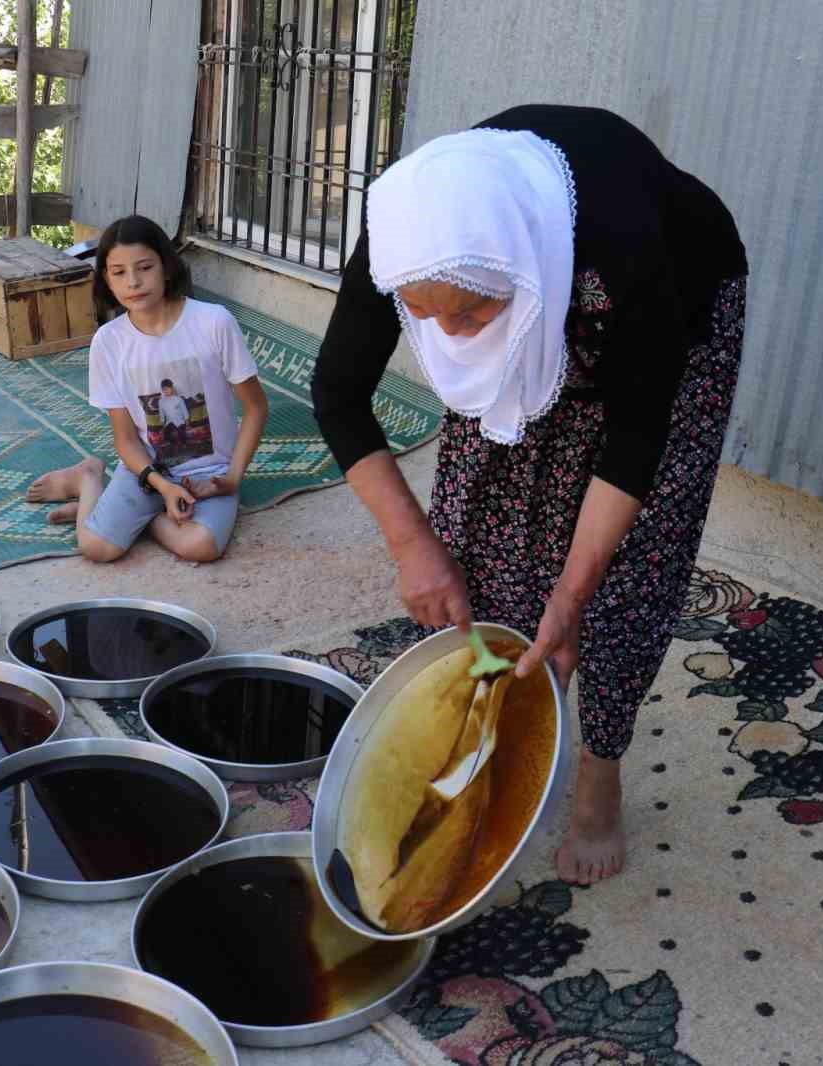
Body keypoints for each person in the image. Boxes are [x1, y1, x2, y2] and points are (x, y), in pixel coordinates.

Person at [311, 105, 748, 885]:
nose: (452, 336)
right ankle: (491, 733)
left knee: (625, 576)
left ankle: (599, 770)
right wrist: (415, 548)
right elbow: (338, 395)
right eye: (427, 318)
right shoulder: (412, 235)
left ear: (508, 276)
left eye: (472, 316)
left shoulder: (629, 248)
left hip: (677, 303)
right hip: (527, 287)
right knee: (476, 539)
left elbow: (636, 440)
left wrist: (572, 592)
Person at [28, 215, 269, 564]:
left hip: (209, 475)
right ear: (106, 281)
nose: (134, 282)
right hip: (148, 473)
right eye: (119, 272)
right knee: (97, 548)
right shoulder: (108, 343)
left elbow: (256, 408)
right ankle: (88, 478)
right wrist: (163, 486)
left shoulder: (214, 322)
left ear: (167, 267)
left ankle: (136, 520)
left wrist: (232, 479)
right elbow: (126, 440)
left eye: (144, 267)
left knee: (201, 547)